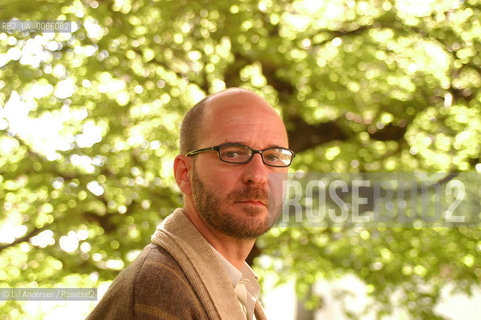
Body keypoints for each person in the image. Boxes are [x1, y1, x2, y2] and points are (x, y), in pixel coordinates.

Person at [86, 88, 295, 320]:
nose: (259, 175)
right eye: (233, 153)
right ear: (184, 173)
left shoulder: (236, 285)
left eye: (274, 157)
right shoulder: (158, 291)